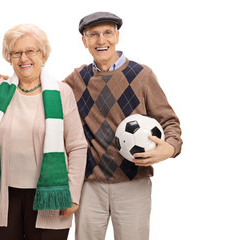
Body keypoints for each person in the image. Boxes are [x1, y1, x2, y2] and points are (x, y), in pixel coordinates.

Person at [0, 21, 87, 240]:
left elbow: (77, 146)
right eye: (16, 53)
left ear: (43, 55)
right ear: (8, 57)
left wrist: (73, 195)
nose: (24, 58)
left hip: (50, 196)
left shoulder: (62, 92)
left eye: (31, 51)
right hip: (5, 196)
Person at [62, 12, 183, 240]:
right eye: (93, 35)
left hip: (133, 182)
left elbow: (169, 121)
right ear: (84, 41)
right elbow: (43, 91)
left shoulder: (142, 75)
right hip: (89, 186)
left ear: (117, 36)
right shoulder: (76, 79)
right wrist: (10, 81)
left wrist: (171, 147)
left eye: (108, 33)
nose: (101, 41)